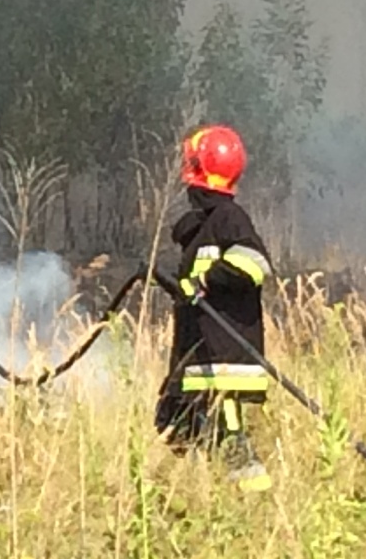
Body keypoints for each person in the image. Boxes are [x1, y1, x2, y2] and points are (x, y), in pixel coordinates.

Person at [154, 124, 275, 492]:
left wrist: (206, 279)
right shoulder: (200, 229)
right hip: (196, 359)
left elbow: (255, 265)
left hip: (223, 360)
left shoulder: (229, 219)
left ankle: (255, 504)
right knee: (173, 427)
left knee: (230, 438)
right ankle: (184, 501)